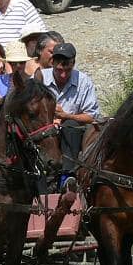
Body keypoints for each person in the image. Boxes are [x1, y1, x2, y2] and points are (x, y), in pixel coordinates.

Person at [40, 42, 100, 181]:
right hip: (43, 128)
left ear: (73, 63)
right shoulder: (40, 78)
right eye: (59, 69)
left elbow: (92, 116)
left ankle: (67, 176)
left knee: (70, 125)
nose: (62, 74)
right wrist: (51, 120)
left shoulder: (84, 82)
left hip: (72, 133)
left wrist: (65, 116)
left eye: (67, 69)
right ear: (52, 62)